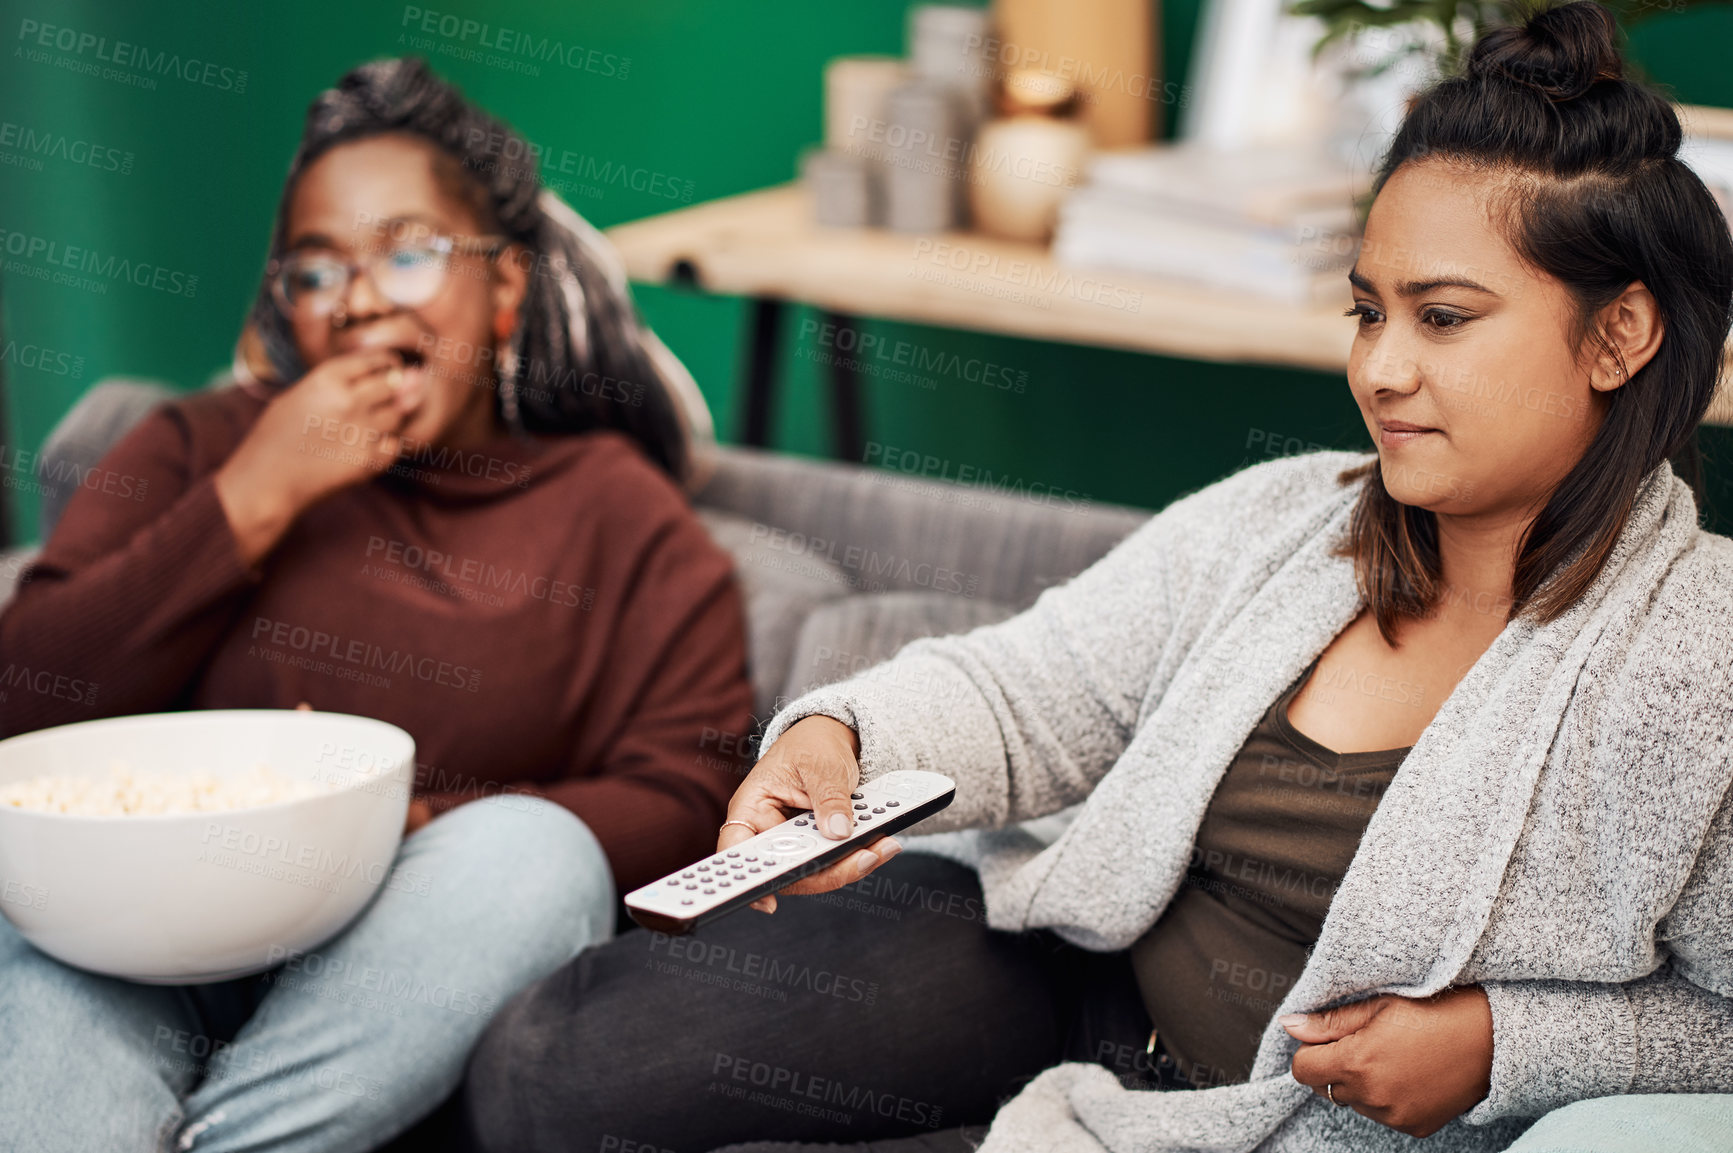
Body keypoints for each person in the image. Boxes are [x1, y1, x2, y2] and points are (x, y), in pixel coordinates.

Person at [460, 6, 1733, 1153]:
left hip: (1262, 1119)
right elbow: (1036, 687)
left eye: (1442, 318)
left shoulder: (1698, 663)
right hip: (1068, 967)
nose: (1380, 371)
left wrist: (1510, 1047)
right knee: (550, 1075)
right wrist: (842, 736)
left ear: (1618, 332)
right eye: (1365, 311)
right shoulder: (1284, 521)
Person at [0, 58, 754, 1153]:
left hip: (408, 958)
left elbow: (694, 787)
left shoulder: (611, 512)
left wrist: (421, 823)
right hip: (145, 938)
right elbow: (23, 709)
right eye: (314, 271)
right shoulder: (197, 448)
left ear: (501, 295)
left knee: (530, 856)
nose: (356, 301)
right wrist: (257, 496)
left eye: (405, 253)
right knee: (43, 953)